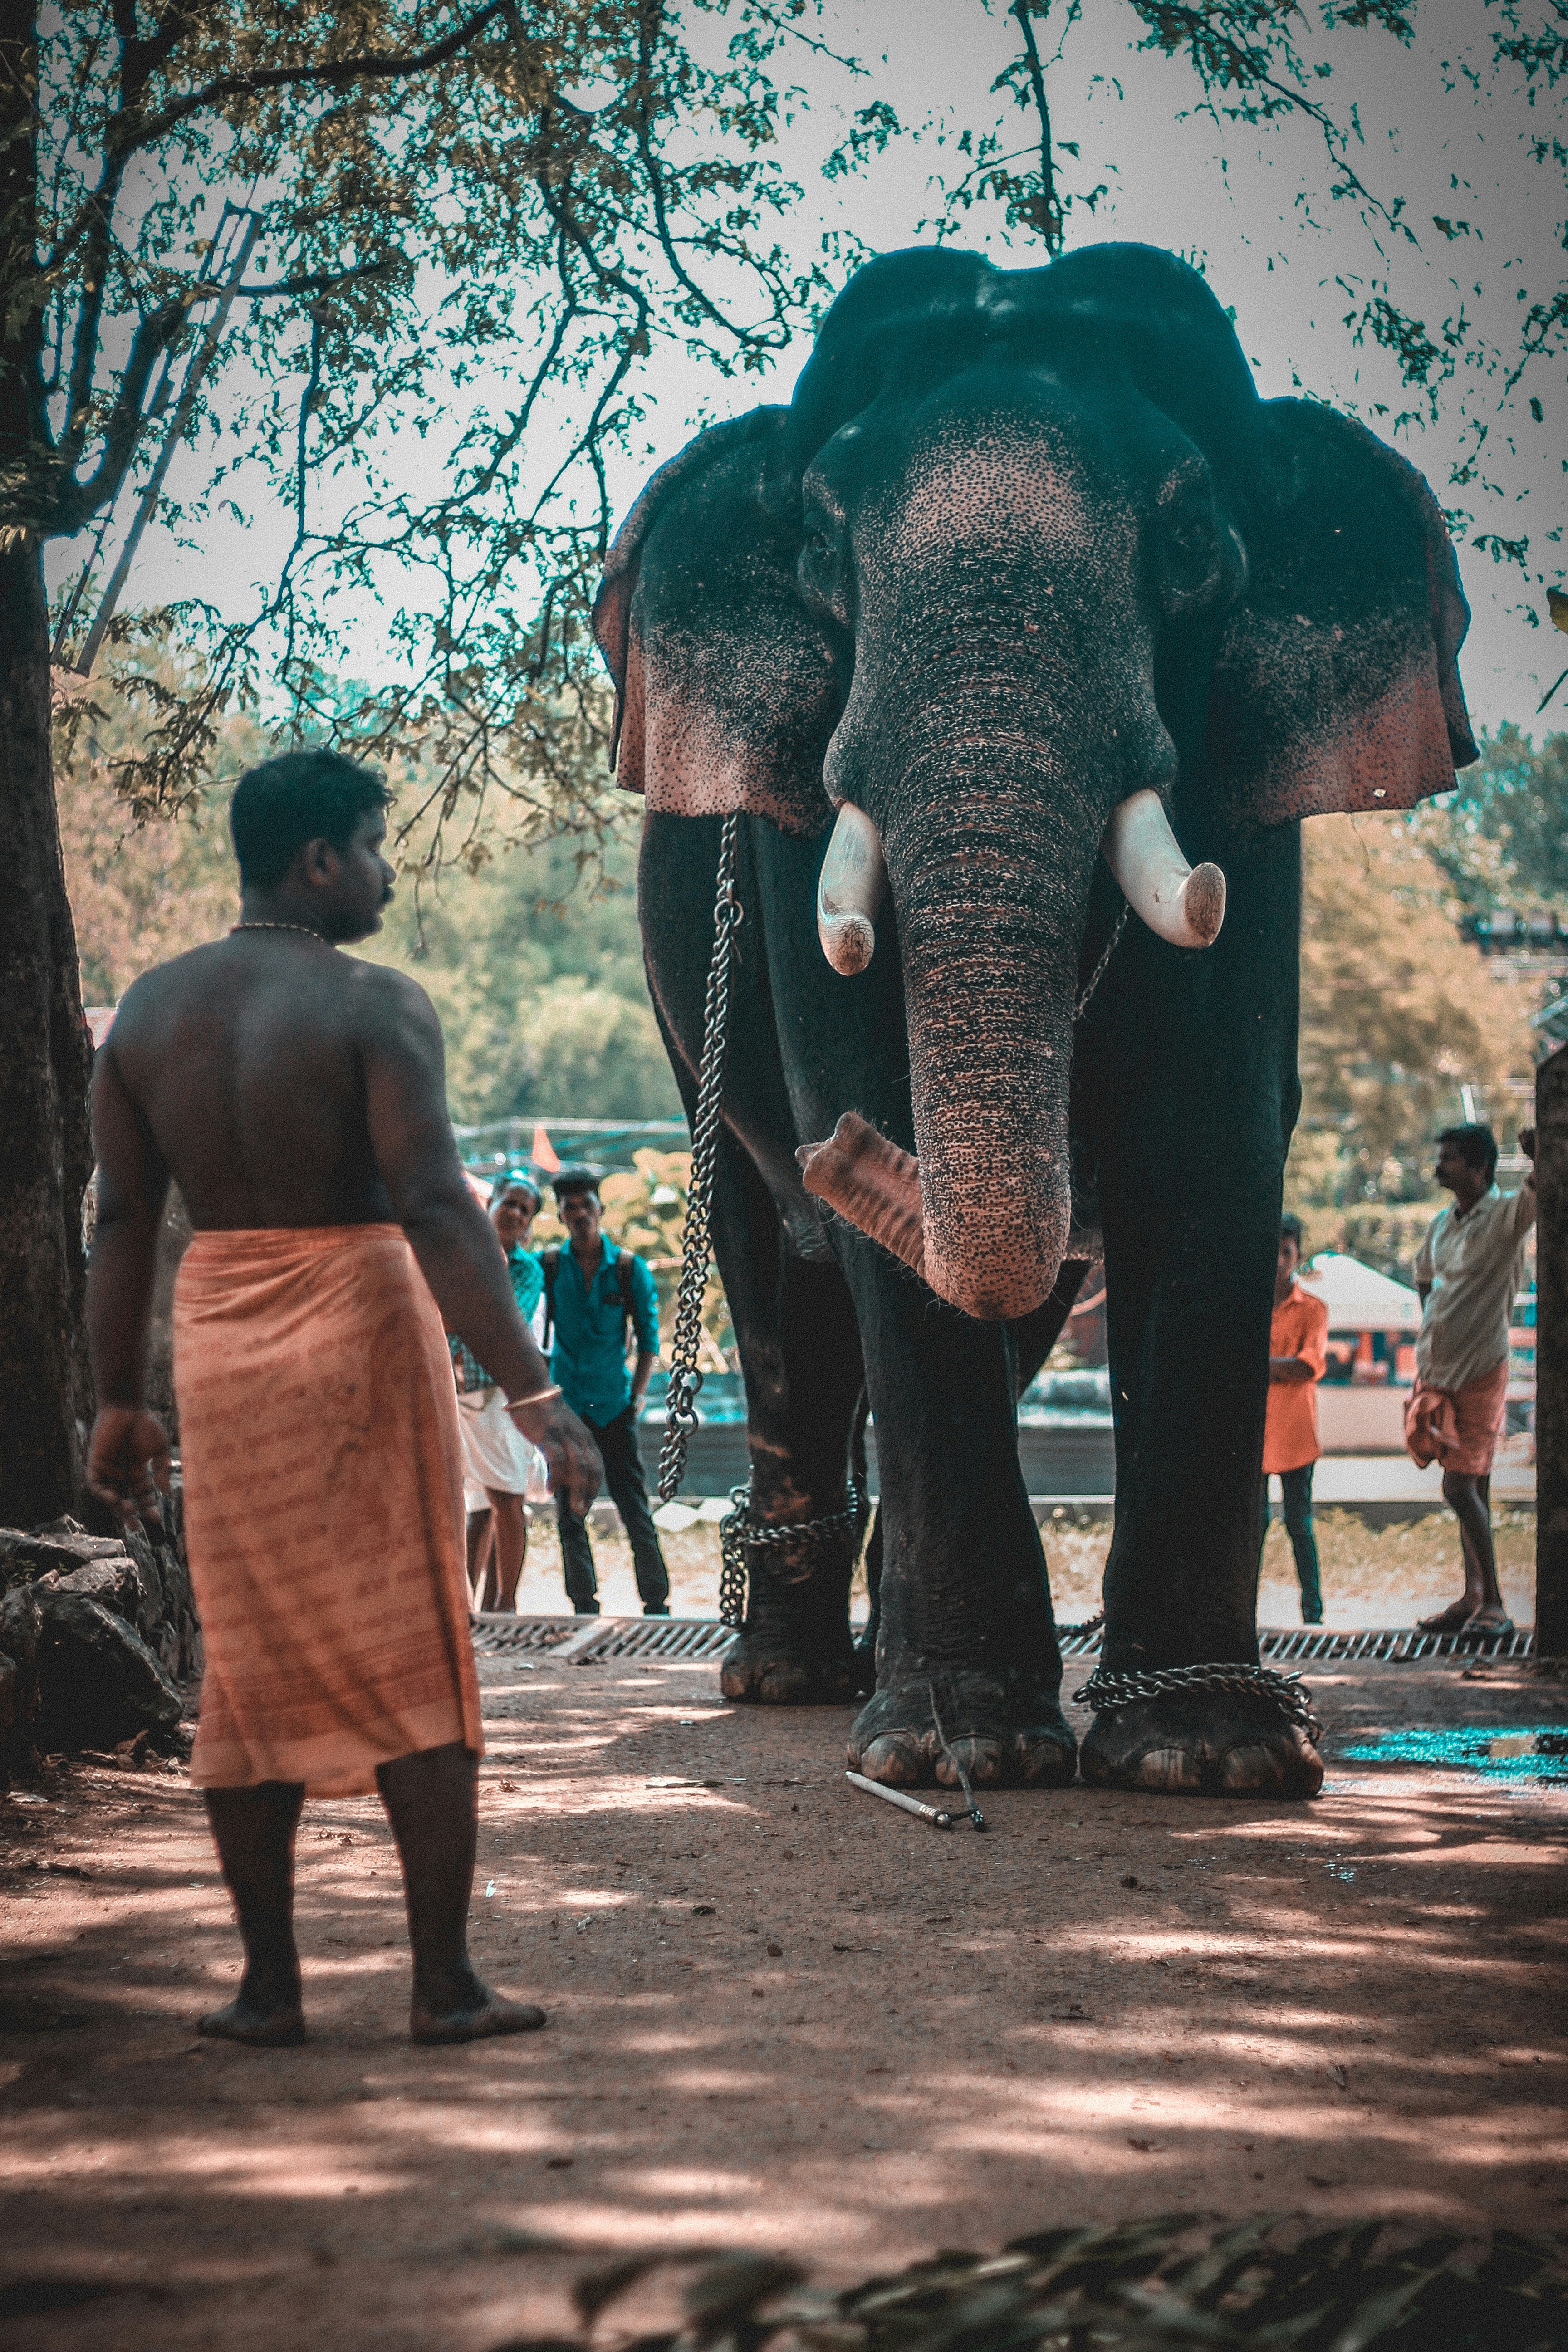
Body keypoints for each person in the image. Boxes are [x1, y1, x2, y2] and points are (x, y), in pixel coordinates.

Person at [84, 749, 602, 2050]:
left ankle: (271, 1988)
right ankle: (442, 1985)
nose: (386, 872)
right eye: (375, 846)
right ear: (317, 860)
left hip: (222, 1337)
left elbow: (122, 1221)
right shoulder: (376, 1002)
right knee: (416, 1645)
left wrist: (116, 1401)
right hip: (363, 1321)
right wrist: (534, 1391)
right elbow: (434, 1206)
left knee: (249, 1658)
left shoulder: (148, 1014)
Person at [1406, 1122, 1536, 1635]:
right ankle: (1474, 1598)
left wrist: (1540, 1153)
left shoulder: (1505, 1216)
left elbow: (1539, 1191)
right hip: (1438, 1373)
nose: (1440, 1167)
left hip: (1481, 1370)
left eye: (1450, 1159)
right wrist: (1439, 1326)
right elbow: (1424, 1277)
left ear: (1480, 1167)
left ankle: (1496, 1604)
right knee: (1473, 1483)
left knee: (1458, 1487)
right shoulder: (1443, 1224)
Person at [543, 1166, 671, 1617]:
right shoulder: (549, 1267)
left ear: (600, 1209)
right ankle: (584, 1606)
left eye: (587, 1205)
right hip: (568, 1413)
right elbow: (532, 1330)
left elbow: (650, 1340)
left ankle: (656, 1604)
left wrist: (636, 1398)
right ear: (561, 1215)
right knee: (570, 1514)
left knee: (634, 1509)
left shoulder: (628, 1269)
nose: (581, 1214)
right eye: (571, 1207)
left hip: (615, 1409)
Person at [451, 1172, 546, 1612]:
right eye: (510, 1203)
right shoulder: (457, 1250)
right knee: (478, 1506)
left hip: (499, 1395)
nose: (515, 1214)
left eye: (525, 1211)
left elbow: (507, 1320)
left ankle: (506, 1604)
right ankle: (471, 1607)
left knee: (506, 1498)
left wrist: (460, 1318)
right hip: (459, 1394)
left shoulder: (526, 1270)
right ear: (491, 1204)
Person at [1260, 1215, 1328, 1625]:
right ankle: (1241, 1612)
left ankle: (1313, 1613)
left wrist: (1260, 1366)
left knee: (1300, 1526)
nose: (1279, 1260)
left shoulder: (1313, 1309)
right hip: (1254, 1438)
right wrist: (1278, 1368)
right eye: (1273, 1251)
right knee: (1252, 1529)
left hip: (1296, 1435)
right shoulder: (1248, 1305)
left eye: (1287, 1252)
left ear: (1298, 1256)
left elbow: (1308, 1366)